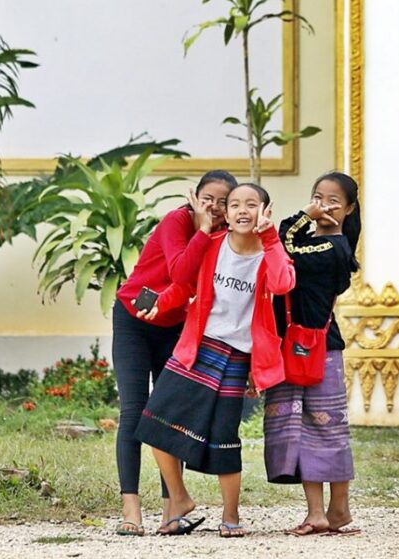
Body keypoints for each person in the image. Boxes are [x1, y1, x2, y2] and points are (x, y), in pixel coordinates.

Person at [135, 183, 296, 538]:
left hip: (238, 355)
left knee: (225, 438)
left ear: (265, 211)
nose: (241, 210)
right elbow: (184, 282)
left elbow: (284, 283)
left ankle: (231, 516)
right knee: (153, 423)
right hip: (198, 346)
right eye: (235, 204)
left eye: (251, 205)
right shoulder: (211, 245)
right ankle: (180, 498)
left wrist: (271, 239)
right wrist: (162, 301)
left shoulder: (270, 253)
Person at [111, 170, 237, 536]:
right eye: (208, 198)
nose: (214, 207)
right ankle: (131, 510)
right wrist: (200, 228)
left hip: (175, 326)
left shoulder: (224, 237)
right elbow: (180, 272)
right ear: (194, 197)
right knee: (134, 411)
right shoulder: (176, 221)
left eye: (223, 201)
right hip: (135, 320)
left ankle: (172, 510)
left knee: (170, 412)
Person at [263, 171, 362, 536]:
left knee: (327, 431)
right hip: (292, 347)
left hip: (318, 350)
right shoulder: (314, 243)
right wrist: (310, 217)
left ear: (349, 209)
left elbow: (281, 242)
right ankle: (323, 513)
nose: (324, 205)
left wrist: (304, 215)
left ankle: (336, 510)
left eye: (333, 200)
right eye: (318, 196)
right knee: (302, 432)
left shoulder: (332, 249)